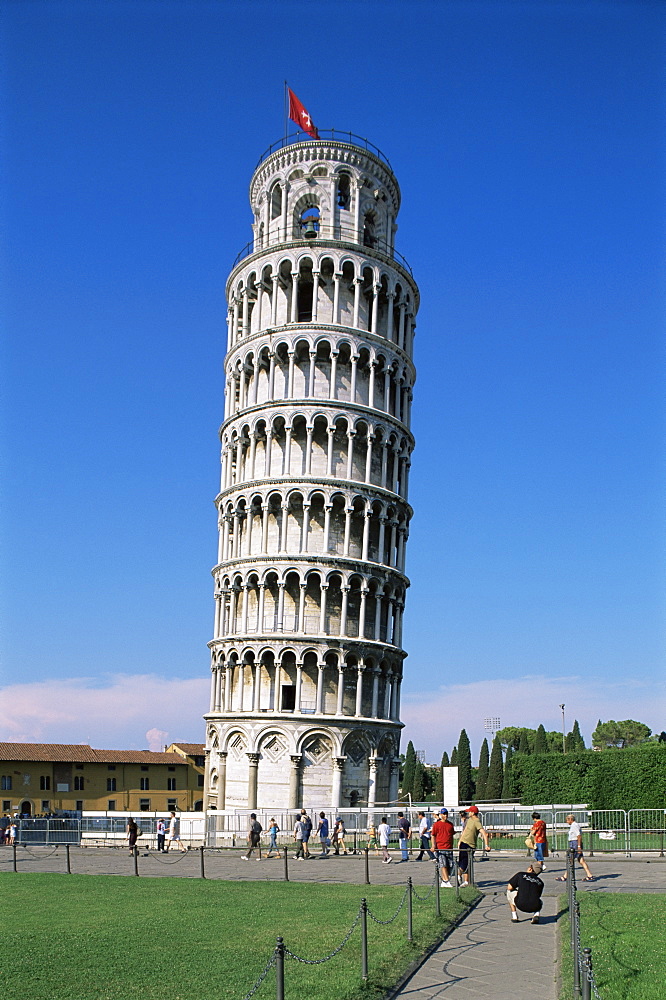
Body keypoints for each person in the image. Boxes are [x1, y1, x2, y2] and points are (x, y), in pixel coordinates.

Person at [457, 805, 490, 884]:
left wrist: (486, 845)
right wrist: (460, 841)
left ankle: (459, 875)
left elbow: (484, 833)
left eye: (469, 812)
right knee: (462, 861)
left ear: (473, 813)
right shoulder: (469, 820)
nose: (468, 813)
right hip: (463, 843)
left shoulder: (476, 821)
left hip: (470, 845)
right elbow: (465, 831)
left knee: (466, 862)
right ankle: (465, 880)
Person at [556, 814, 594, 882]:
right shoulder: (573, 826)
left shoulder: (574, 826)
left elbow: (578, 836)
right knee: (581, 860)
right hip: (574, 843)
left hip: (575, 844)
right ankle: (589, 875)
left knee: (571, 860)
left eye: (567, 820)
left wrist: (579, 846)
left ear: (571, 819)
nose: (566, 821)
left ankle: (565, 876)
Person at [431, 808, 455, 887]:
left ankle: (444, 881)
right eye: (444, 814)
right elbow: (433, 835)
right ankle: (446, 880)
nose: (445, 816)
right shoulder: (436, 825)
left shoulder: (450, 824)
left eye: (446, 814)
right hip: (440, 848)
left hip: (449, 847)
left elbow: (451, 835)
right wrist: (433, 845)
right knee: (443, 864)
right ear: (440, 815)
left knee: (449, 865)